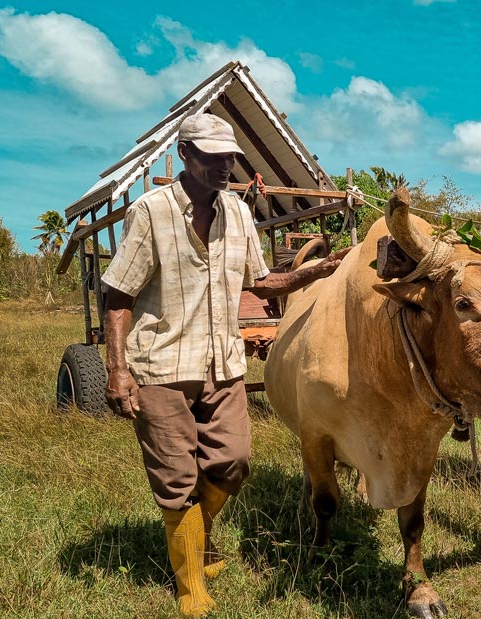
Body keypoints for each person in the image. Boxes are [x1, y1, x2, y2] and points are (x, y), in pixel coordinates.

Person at [101, 113, 340, 616]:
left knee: (233, 463)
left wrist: (318, 271)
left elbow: (261, 281)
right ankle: (190, 586)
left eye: (228, 158)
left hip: (223, 365)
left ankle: (200, 533)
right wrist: (117, 369)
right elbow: (118, 294)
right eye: (211, 158)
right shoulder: (152, 212)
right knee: (176, 479)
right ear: (186, 155)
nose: (222, 168)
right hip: (161, 366)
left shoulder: (237, 211)